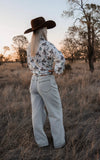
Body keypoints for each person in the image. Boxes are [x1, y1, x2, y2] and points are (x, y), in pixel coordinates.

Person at [24, 17, 66, 149]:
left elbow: (30, 65)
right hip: (46, 80)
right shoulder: (46, 45)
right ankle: (59, 143)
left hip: (34, 81)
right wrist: (57, 71)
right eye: (45, 28)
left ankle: (41, 142)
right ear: (42, 30)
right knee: (55, 113)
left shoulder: (29, 47)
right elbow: (60, 58)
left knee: (36, 114)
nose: (46, 30)